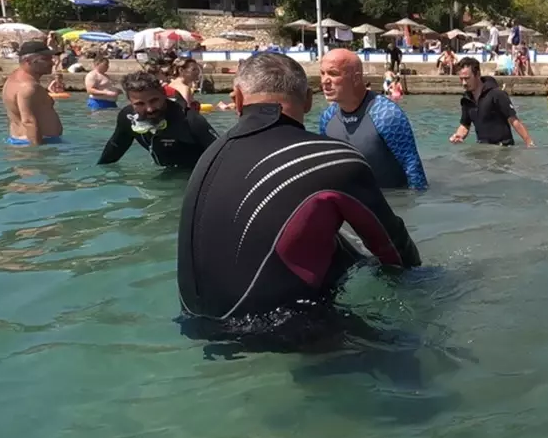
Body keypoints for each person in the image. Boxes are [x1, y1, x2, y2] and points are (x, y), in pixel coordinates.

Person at [177, 53, 421, 326]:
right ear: (307, 100)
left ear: (237, 97)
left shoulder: (209, 155)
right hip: (281, 329)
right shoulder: (335, 158)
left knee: (331, 239)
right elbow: (396, 252)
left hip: (195, 324)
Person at [317, 48, 427, 191]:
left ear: (356, 78)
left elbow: (413, 168)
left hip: (392, 204)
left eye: (333, 74)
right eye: (322, 73)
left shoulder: (386, 115)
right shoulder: (327, 118)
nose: (325, 81)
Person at [98, 71, 219, 168]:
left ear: (163, 94)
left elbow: (223, 155)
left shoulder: (189, 120)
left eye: (154, 100)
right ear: (130, 102)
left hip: (194, 176)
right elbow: (111, 155)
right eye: (140, 104)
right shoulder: (128, 118)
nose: (149, 109)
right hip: (167, 176)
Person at [450, 56, 535, 147]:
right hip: (482, 149)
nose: (464, 83)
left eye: (467, 78)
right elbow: (465, 125)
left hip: (503, 149)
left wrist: (529, 143)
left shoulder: (497, 94)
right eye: (461, 79)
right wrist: (459, 135)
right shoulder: (466, 99)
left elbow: (514, 120)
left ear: (477, 74)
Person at [3, 40, 63, 146]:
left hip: (21, 141)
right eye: (45, 59)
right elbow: (28, 122)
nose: (52, 62)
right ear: (28, 61)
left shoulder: (14, 79)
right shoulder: (29, 87)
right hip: (36, 143)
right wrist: (37, 155)